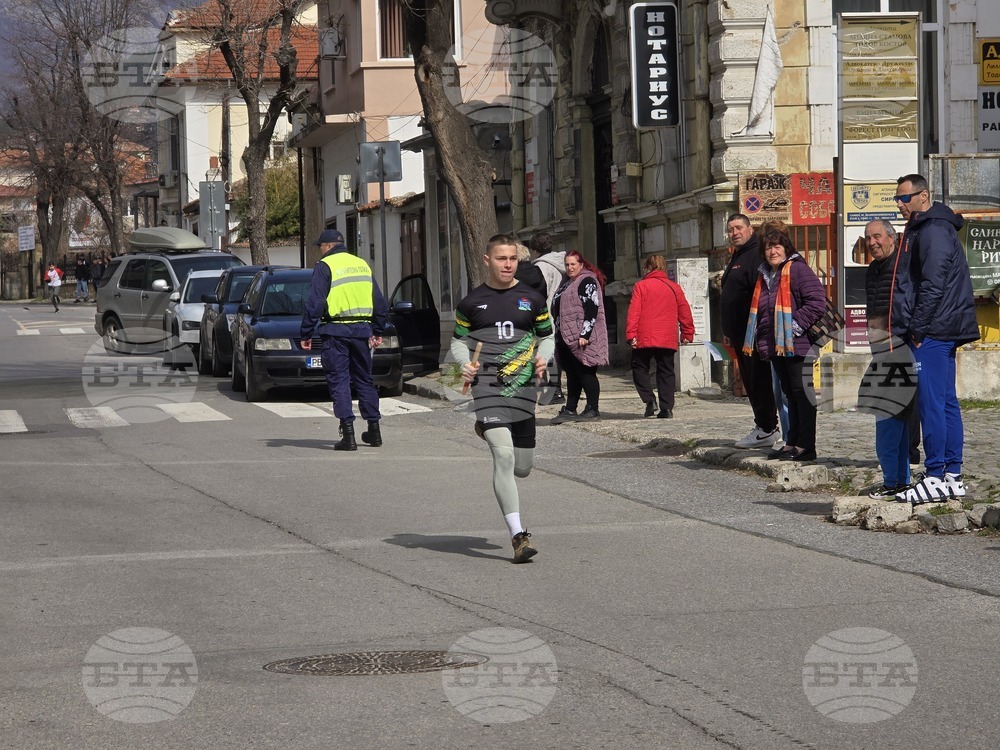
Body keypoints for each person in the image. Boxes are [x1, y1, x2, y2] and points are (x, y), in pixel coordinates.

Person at [451, 234, 554, 563]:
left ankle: (486, 430)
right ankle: (518, 536)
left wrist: (544, 357)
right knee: (505, 458)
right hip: (488, 390)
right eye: (501, 259)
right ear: (487, 260)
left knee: (522, 468)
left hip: (523, 390)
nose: (508, 265)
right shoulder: (471, 303)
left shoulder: (532, 298)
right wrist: (463, 364)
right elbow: (457, 342)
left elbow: (547, 337)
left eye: (512, 259)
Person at [890, 174, 980, 503]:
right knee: (945, 401)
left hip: (933, 330)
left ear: (923, 196)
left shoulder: (933, 229)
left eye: (904, 198)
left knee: (932, 404)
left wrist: (917, 329)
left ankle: (935, 475)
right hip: (940, 327)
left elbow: (933, 284)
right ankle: (952, 476)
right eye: (897, 199)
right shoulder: (927, 227)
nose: (900, 204)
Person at [300, 229, 389, 451]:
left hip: (335, 332)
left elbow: (315, 302)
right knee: (364, 379)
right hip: (362, 332)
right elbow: (379, 301)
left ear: (329, 246)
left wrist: (306, 333)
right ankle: (374, 431)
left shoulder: (325, 266)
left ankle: (348, 435)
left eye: (321, 246)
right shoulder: (362, 265)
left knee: (339, 380)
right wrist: (377, 329)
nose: (320, 250)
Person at [743, 229, 827, 462]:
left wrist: (793, 327)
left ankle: (806, 446)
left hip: (797, 343)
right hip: (776, 344)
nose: (773, 251)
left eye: (777, 246)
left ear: (786, 248)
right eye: (768, 247)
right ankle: (791, 443)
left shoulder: (797, 269)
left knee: (802, 393)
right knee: (790, 394)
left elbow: (817, 302)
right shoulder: (766, 275)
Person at [861, 219, 918, 499]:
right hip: (882, 351)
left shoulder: (903, 266)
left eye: (877, 236)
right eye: (868, 238)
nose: (872, 243)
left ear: (892, 237)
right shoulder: (873, 270)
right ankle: (898, 479)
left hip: (900, 350)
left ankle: (894, 481)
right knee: (892, 416)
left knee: (888, 416)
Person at [721, 214, 780, 450]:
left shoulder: (755, 254)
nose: (734, 233)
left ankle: (767, 427)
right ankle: (764, 425)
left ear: (749, 229)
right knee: (750, 381)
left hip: (753, 332)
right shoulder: (739, 254)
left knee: (759, 381)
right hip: (739, 333)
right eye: (730, 229)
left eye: (738, 228)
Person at [625, 255, 695, 418]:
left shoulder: (641, 286)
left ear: (648, 268)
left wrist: (631, 334)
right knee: (666, 371)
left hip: (645, 335)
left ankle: (649, 399)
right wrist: (687, 332)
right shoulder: (674, 287)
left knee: (639, 367)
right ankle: (667, 409)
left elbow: (634, 312)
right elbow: (684, 311)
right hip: (667, 336)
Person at [550, 251, 609, 422]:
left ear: (581, 265)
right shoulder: (566, 283)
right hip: (565, 335)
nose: (569, 268)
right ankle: (570, 408)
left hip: (581, 337)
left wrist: (585, 334)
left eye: (573, 264)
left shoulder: (587, 281)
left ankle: (592, 408)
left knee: (585, 372)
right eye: (567, 265)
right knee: (572, 374)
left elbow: (591, 308)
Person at [529, 232, 567, 402]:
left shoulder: (541, 267)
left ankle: (555, 390)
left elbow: (539, 294)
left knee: (549, 352)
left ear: (534, 250)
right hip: (560, 312)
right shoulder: (561, 263)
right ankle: (550, 386)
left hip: (547, 312)